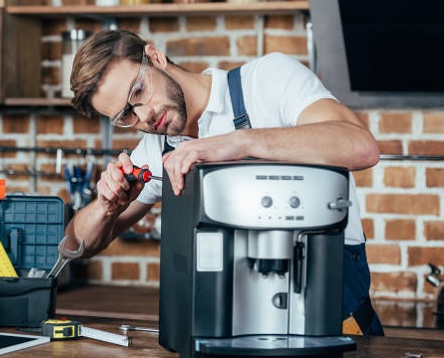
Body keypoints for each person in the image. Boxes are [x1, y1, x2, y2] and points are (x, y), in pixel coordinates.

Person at [65, 29, 384, 335]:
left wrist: (238, 142)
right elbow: (74, 247)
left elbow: (360, 146)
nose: (144, 114)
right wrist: (105, 207)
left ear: (155, 57)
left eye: (139, 90)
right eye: (125, 115)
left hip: (331, 319)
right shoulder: (154, 150)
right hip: (236, 329)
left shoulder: (267, 80)